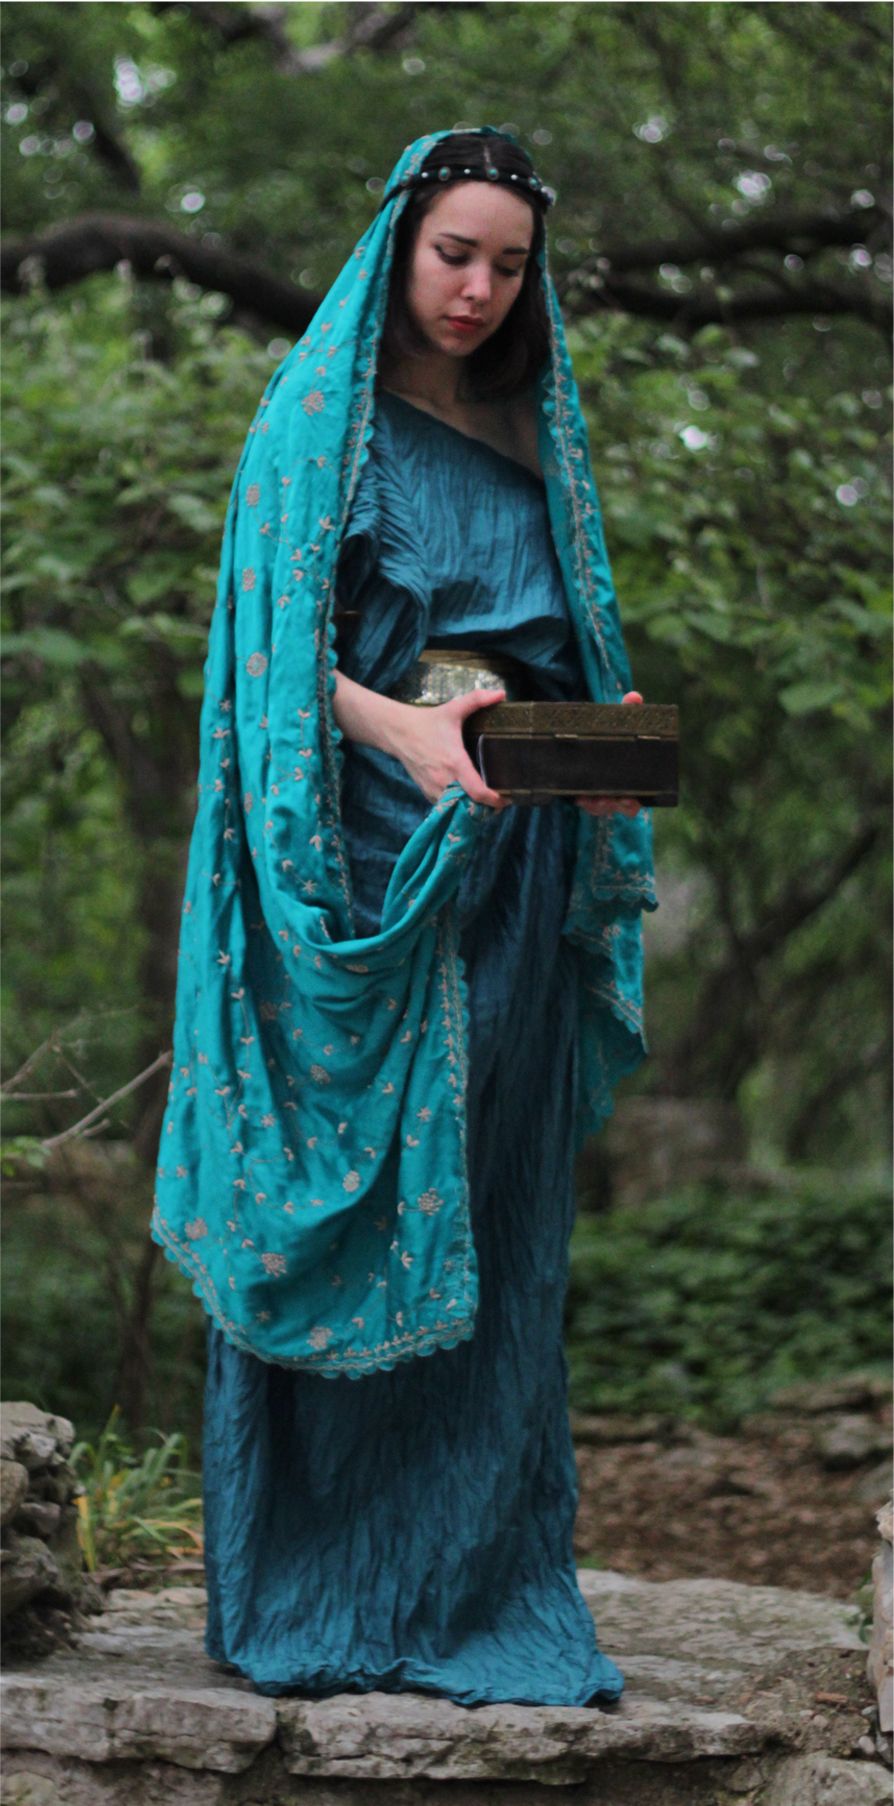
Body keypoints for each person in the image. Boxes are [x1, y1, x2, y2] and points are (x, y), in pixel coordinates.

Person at [152, 127, 658, 1710]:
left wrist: (596, 742)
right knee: (359, 1203)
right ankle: (314, 1590)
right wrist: (404, 733)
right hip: (364, 872)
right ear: (397, 243)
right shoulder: (321, 424)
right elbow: (261, 657)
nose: (478, 288)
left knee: (495, 1219)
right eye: (455, 252)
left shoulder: (532, 427)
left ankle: (473, 1585)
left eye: (509, 264)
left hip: (515, 867)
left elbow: (553, 649)